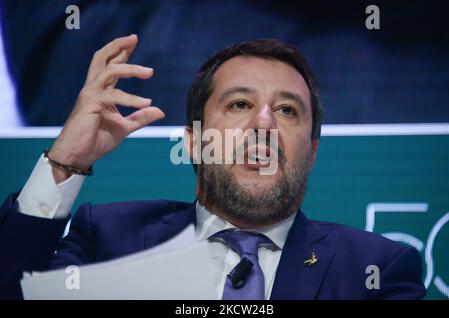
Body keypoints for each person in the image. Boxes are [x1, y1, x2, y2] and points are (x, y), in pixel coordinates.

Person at [0, 35, 426, 300]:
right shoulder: (109, 239)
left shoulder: (377, 271)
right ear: (194, 141)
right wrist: (65, 162)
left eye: (287, 110)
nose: (263, 123)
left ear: (312, 151)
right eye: (240, 104)